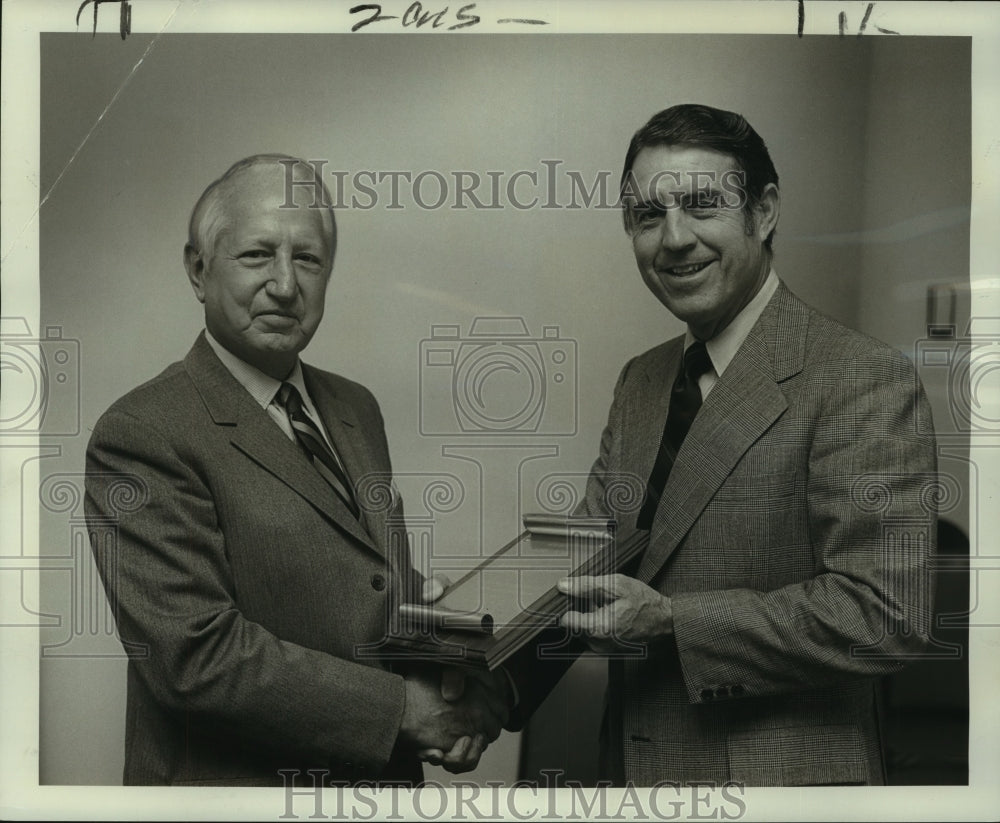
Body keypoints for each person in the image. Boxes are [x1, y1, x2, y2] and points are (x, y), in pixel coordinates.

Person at [84, 154, 508, 786]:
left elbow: (362, 580)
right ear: (198, 271)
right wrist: (406, 715)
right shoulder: (142, 433)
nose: (286, 284)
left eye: (307, 259)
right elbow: (196, 658)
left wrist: (454, 669)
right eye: (257, 255)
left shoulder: (354, 406)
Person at [549, 104, 938, 786]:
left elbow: (887, 613)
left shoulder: (861, 375)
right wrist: (470, 662)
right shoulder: (642, 381)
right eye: (646, 216)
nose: (673, 239)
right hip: (628, 776)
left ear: (763, 212)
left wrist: (674, 622)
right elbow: (588, 561)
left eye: (702, 205)